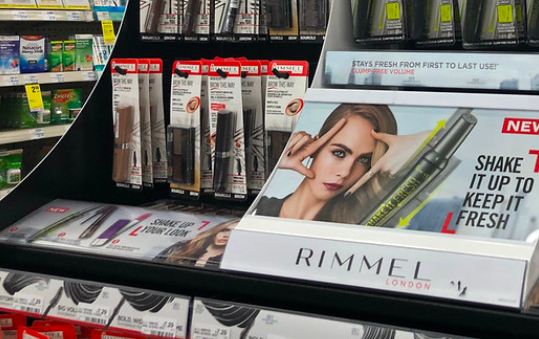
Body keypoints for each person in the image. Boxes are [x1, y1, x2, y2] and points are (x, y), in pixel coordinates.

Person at [254, 103, 431, 224]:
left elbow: (442, 143)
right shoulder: (259, 209)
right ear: (316, 146)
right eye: (339, 153)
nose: (346, 172)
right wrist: (279, 164)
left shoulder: (364, 223)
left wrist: (421, 142)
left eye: (364, 160)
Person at [155, 219, 237, 269]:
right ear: (216, 231)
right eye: (225, 230)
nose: (226, 235)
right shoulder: (182, 247)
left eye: (234, 233)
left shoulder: (234, 261)